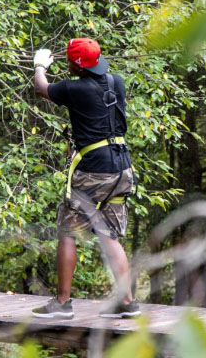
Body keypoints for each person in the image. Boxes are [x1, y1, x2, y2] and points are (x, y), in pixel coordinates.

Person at [29, 38, 140, 319]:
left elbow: (41, 88)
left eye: (69, 62)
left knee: (68, 232)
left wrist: (40, 65)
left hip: (93, 170)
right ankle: (127, 302)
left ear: (75, 66)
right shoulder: (116, 82)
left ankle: (63, 304)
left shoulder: (73, 88)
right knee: (109, 234)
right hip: (121, 168)